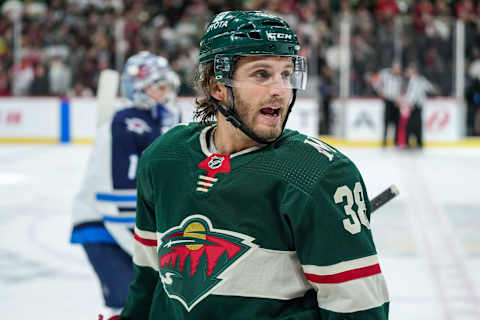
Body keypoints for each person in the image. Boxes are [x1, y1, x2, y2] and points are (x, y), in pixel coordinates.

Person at [120, 11, 389, 320]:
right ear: (217, 86)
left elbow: (360, 313)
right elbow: (146, 284)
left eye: (286, 74)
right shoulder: (164, 159)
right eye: (262, 74)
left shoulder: (320, 174)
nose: (280, 89)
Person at [69, 51, 181, 318]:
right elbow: (115, 199)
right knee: (132, 307)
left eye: (167, 84)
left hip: (135, 229)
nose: (166, 92)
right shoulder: (123, 124)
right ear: (139, 88)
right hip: (105, 228)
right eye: (158, 85)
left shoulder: (163, 119)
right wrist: (145, 250)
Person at [404, 64, 438, 149]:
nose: (407, 73)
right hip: (418, 105)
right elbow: (430, 88)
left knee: (411, 125)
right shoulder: (421, 80)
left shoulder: (415, 81)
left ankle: (411, 142)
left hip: (415, 105)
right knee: (417, 124)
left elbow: (413, 94)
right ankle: (418, 142)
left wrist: (410, 104)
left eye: (408, 71)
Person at [372, 61, 402, 147]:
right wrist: (379, 91)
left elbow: (402, 90)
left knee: (396, 122)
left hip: (396, 102)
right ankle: (384, 141)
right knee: (386, 122)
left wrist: (399, 98)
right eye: (396, 68)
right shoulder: (385, 74)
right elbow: (375, 80)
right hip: (388, 100)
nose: (397, 70)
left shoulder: (400, 78)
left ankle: (395, 141)